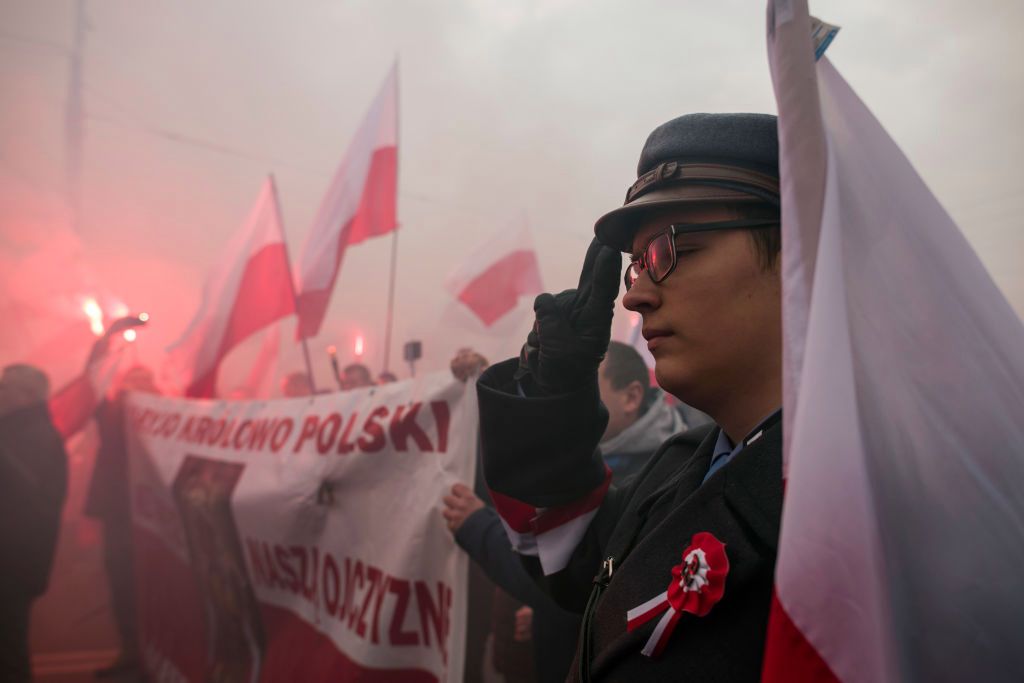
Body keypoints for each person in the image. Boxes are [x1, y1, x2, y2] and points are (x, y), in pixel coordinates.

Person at [476, 113, 784, 680]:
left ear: (800, 256)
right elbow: (569, 557)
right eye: (636, 265)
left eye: (670, 251)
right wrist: (555, 392)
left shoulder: (866, 516)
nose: (635, 297)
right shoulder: (684, 466)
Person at [445, 344, 709, 682]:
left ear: (630, 397)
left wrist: (476, 526)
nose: (567, 394)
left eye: (584, 382)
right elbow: (512, 484)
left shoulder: (659, 478)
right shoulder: (586, 455)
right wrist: (483, 390)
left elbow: (565, 572)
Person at [83, 365, 159, 680]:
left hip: (149, 517)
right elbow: (94, 400)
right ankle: (131, 650)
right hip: (123, 512)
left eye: (140, 384)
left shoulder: (162, 420)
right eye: (130, 384)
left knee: (144, 586)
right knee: (123, 584)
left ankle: (148, 655)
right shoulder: (114, 415)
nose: (133, 390)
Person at [0, 364, 68, 682]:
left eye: (5, 387)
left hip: (13, 561)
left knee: (8, 651)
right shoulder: (15, 431)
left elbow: (30, 499)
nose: (0, 392)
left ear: (26, 396)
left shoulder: (38, 437)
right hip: (14, 557)